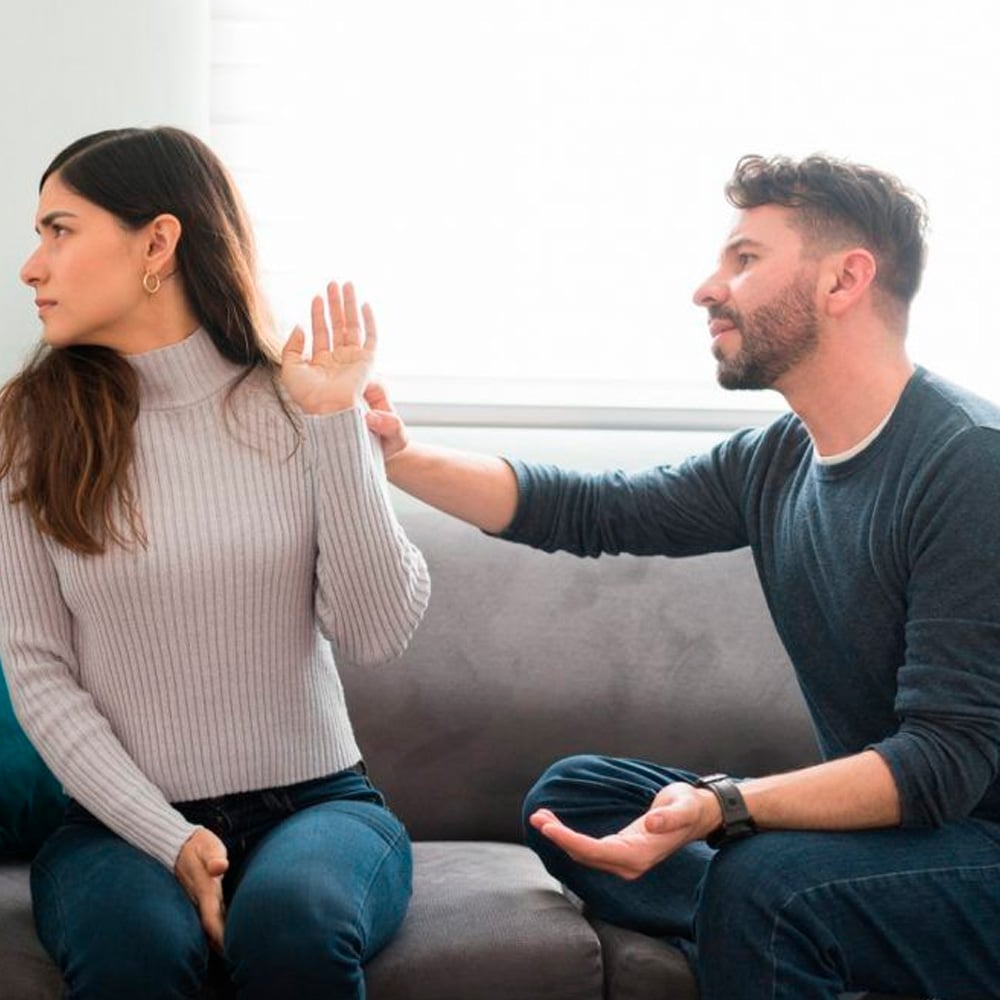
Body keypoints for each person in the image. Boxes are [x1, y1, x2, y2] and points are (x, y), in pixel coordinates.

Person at [362, 154, 1000, 999]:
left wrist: (725, 807)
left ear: (845, 279)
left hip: (975, 846)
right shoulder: (778, 461)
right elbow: (590, 511)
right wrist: (396, 455)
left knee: (766, 883)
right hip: (891, 842)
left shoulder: (968, 464)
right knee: (578, 798)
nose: (707, 287)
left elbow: (944, 764)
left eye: (745, 259)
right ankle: (791, 939)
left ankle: (776, 925)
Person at [0, 126, 430, 999]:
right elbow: (39, 670)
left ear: (157, 242)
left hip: (320, 807)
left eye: (60, 230)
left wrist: (333, 422)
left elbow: (378, 630)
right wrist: (171, 839)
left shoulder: (296, 398)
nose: (31, 267)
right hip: (115, 827)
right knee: (133, 952)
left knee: (291, 925)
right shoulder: (28, 428)